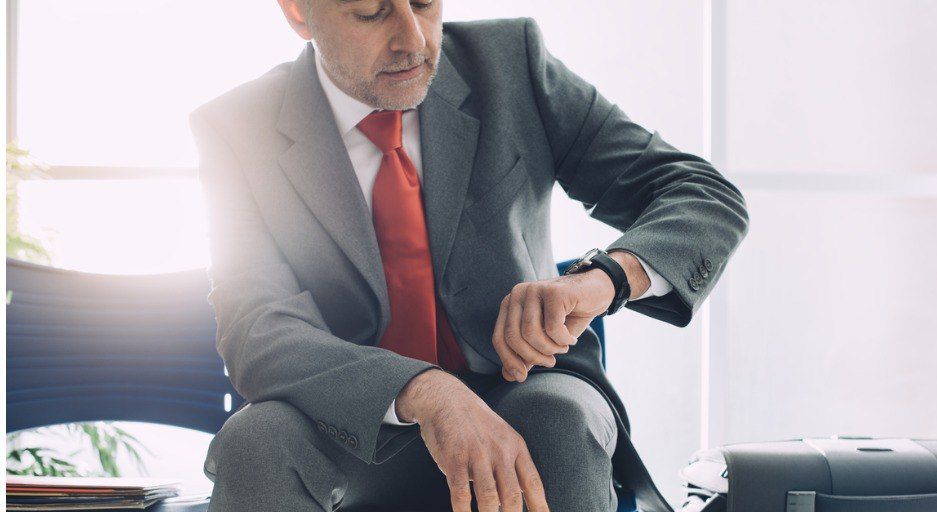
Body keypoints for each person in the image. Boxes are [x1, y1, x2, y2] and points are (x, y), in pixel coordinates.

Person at [189, 1, 749, 510]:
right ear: (298, 12)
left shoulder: (511, 64)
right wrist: (423, 392)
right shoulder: (239, 129)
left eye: (424, 4)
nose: (413, 39)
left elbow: (700, 194)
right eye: (370, 13)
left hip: (525, 393)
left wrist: (604, 280)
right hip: (351, 418)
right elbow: (257, 326)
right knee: (255, 444)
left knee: (556, 420)